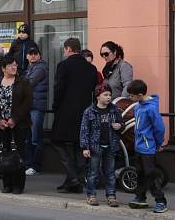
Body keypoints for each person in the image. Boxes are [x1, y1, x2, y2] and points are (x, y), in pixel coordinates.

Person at [51, 37, 98, 194]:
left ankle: (72, 177)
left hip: (65, 111)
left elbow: (58, 89)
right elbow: (93, 91)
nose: (64, 52)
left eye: (64, 49)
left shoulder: (64, 66)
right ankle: (74, 180)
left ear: (69, 49)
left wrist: (55, 107)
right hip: (85, 112)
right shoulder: (91, 69)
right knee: (79, 145)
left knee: (57, 142)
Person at [0, 56, 33, 194]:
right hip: (1, 125)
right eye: (11, 65)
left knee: (18, 154)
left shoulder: (23, 82)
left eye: (15, 65)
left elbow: (27, 103)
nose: (14, 67)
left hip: (18, 125)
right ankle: (7, 184)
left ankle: (18, 185)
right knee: (3, 154)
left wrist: (15, 119)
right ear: (3, 68)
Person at [126, 79, 168, 213]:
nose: (129, 98)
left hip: (148, 147)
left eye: (131, 96)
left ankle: (161, 201)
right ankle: (140, 197)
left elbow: (159, 128)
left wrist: (158, 143)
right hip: (138, 146)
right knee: (140, 173)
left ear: (139, 95)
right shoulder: (138, 106)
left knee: (150, 174)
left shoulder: (150, 108)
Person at [79, 84, 123, 207]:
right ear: (98, 96)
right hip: (94, 147)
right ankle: (91, 195)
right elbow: (84, 130)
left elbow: (121, 123)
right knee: (93, 172)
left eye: (110, 95)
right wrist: (85, 147)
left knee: (110, 172)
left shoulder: (114, 110)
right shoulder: (89, 111)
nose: (109, 97)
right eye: (105, 95)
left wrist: (119, 125)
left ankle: (111, 196)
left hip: (110, 146)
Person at [24, 48, 48, 176]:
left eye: (35, 54)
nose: (33, 56)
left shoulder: (40, 68)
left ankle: (35, 166)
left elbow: (29, 82)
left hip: (36, 107)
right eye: (30, 54)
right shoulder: (30, 67)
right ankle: (28, 165)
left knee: (35, 137)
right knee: (29, 137)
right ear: (27, 56)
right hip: (30, 106)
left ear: (39, 55)